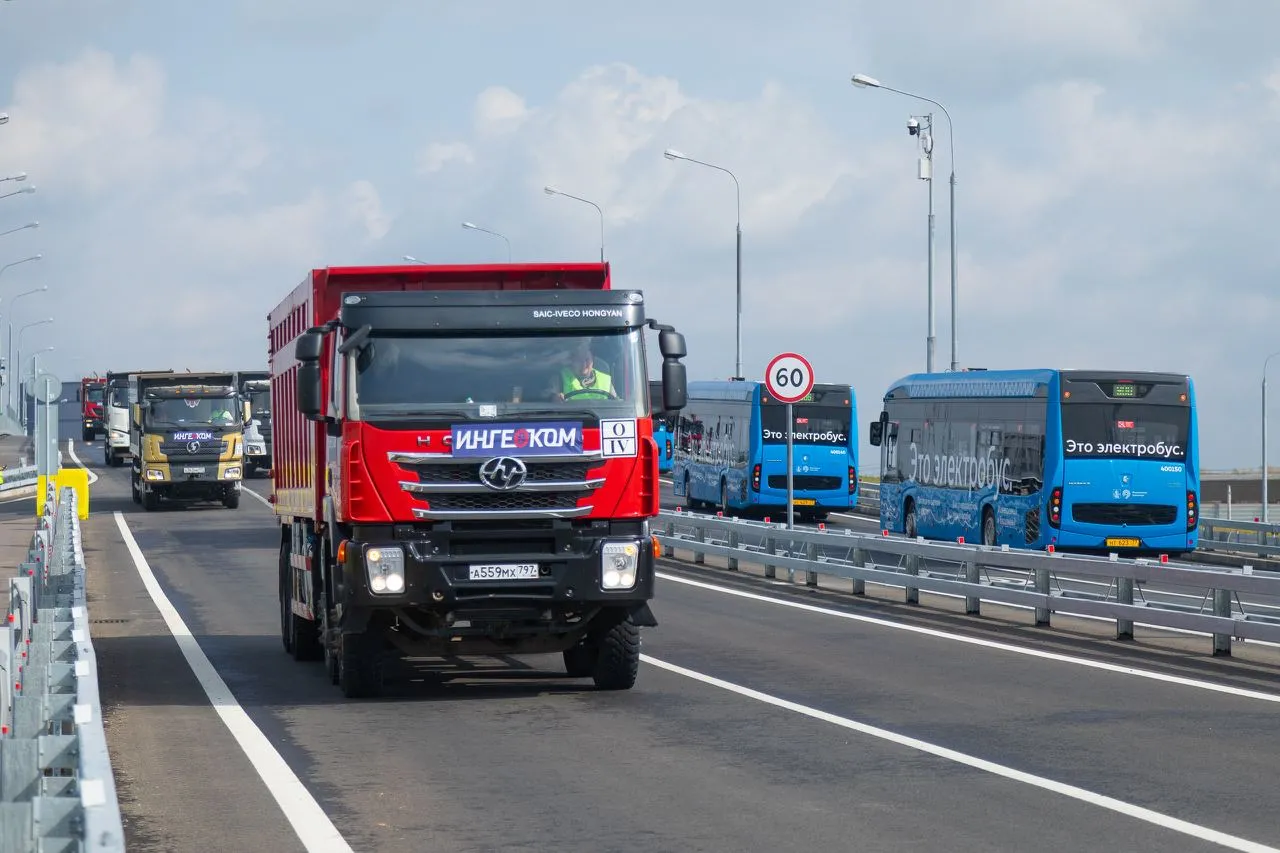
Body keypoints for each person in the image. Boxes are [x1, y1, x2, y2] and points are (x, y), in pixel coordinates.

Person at [550, 343, 617, 401]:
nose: (584, 364)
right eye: (579, 360)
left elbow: (617, 405)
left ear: (592, 360)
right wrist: (557, 398)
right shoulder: (559, 378)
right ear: (572, 361)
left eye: (587, 360)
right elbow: (553, 403)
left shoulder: (605, 380)